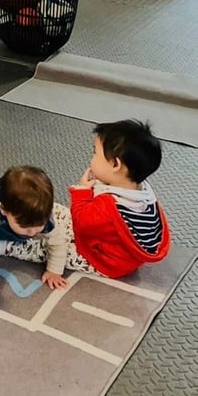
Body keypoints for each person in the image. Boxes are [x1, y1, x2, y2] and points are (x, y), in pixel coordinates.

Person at [69, 119, 170, 278]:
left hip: (106, 263)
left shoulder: (109, 206)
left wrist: (81, 192)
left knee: (52, 245)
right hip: (126, 256)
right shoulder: (144, 192)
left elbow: (80, 223)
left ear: (115, 165)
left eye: (95, 152)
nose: (92, 157)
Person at [0, 166, 68, 294]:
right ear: (4, 210)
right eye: (25, 227)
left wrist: (54, 271)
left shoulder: (43, 217)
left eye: (39, 225)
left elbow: (59, 243)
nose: (33, 232)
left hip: (3, 227)